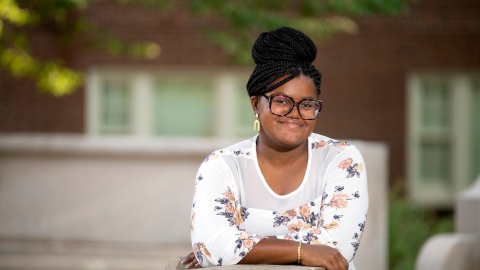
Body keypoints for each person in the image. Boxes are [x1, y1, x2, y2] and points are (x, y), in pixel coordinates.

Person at [182, 27, 368, 270]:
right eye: (281, 101)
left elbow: (338, 248)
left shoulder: (340, 159)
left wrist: (238, 247)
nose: (295, 114)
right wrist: (305, 250)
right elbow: (212, 245)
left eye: (307, 104)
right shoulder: (223, 165)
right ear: (255, 104)